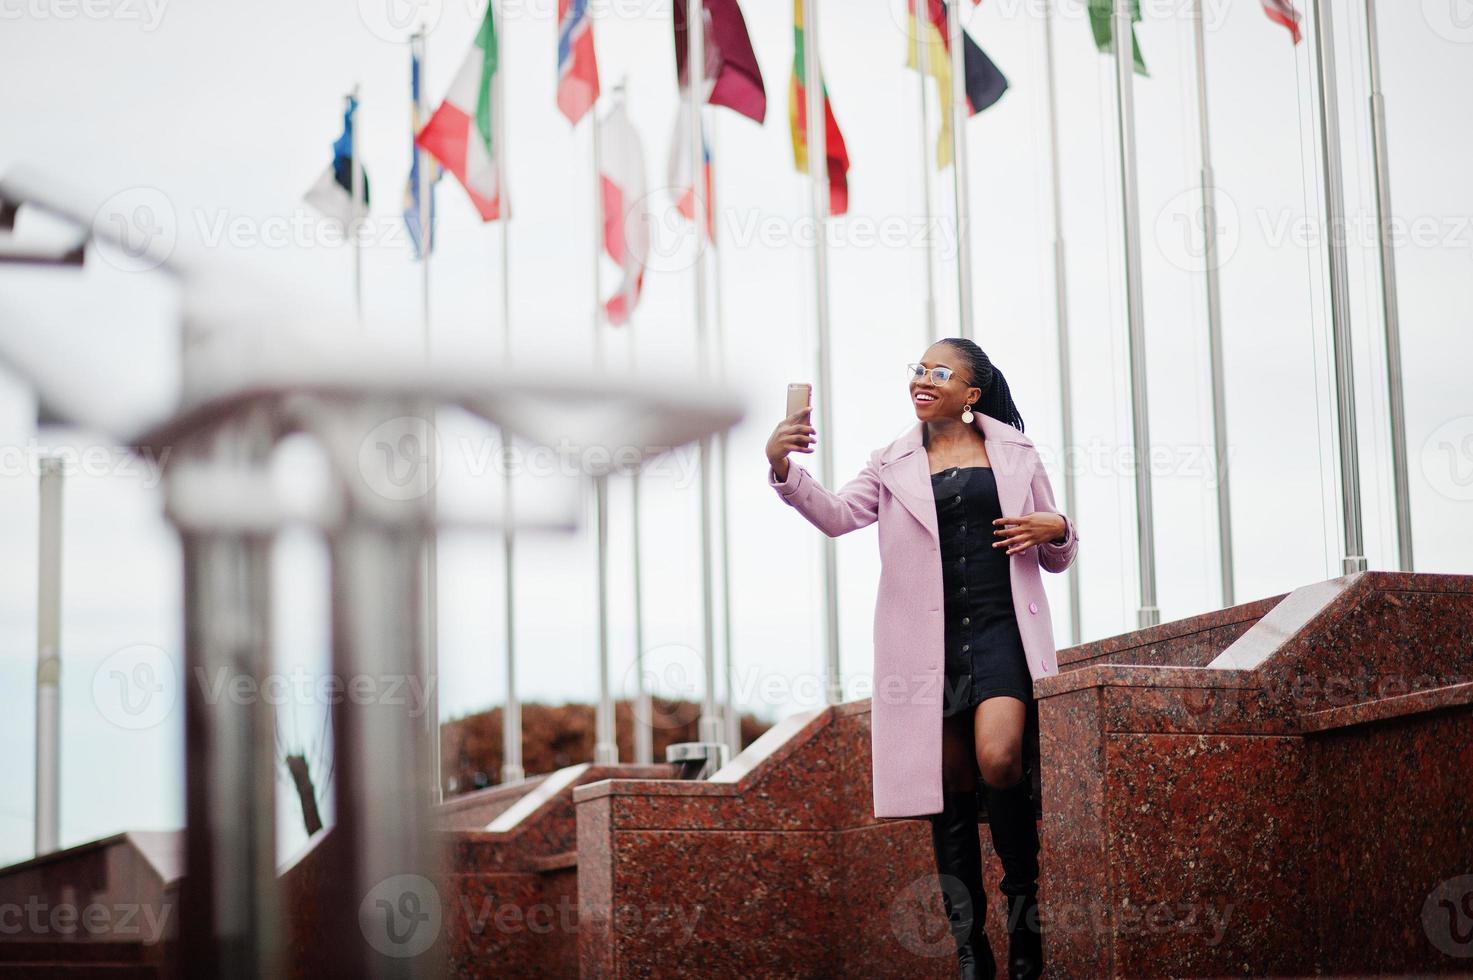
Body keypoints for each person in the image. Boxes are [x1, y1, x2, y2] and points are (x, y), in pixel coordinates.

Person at [764, 337, 1079, 980]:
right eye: (918, 369)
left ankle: (1027, 925)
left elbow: (1056, 550)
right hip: (923, 651)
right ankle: (970, 947)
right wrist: (782, 467)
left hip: (1002, 635)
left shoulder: (1016, 453)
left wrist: (1060, 527)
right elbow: (835, 515)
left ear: (972, 395)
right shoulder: (889, 463)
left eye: (941, 372)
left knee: (999, 759)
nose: (923, 379)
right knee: (952, 790)